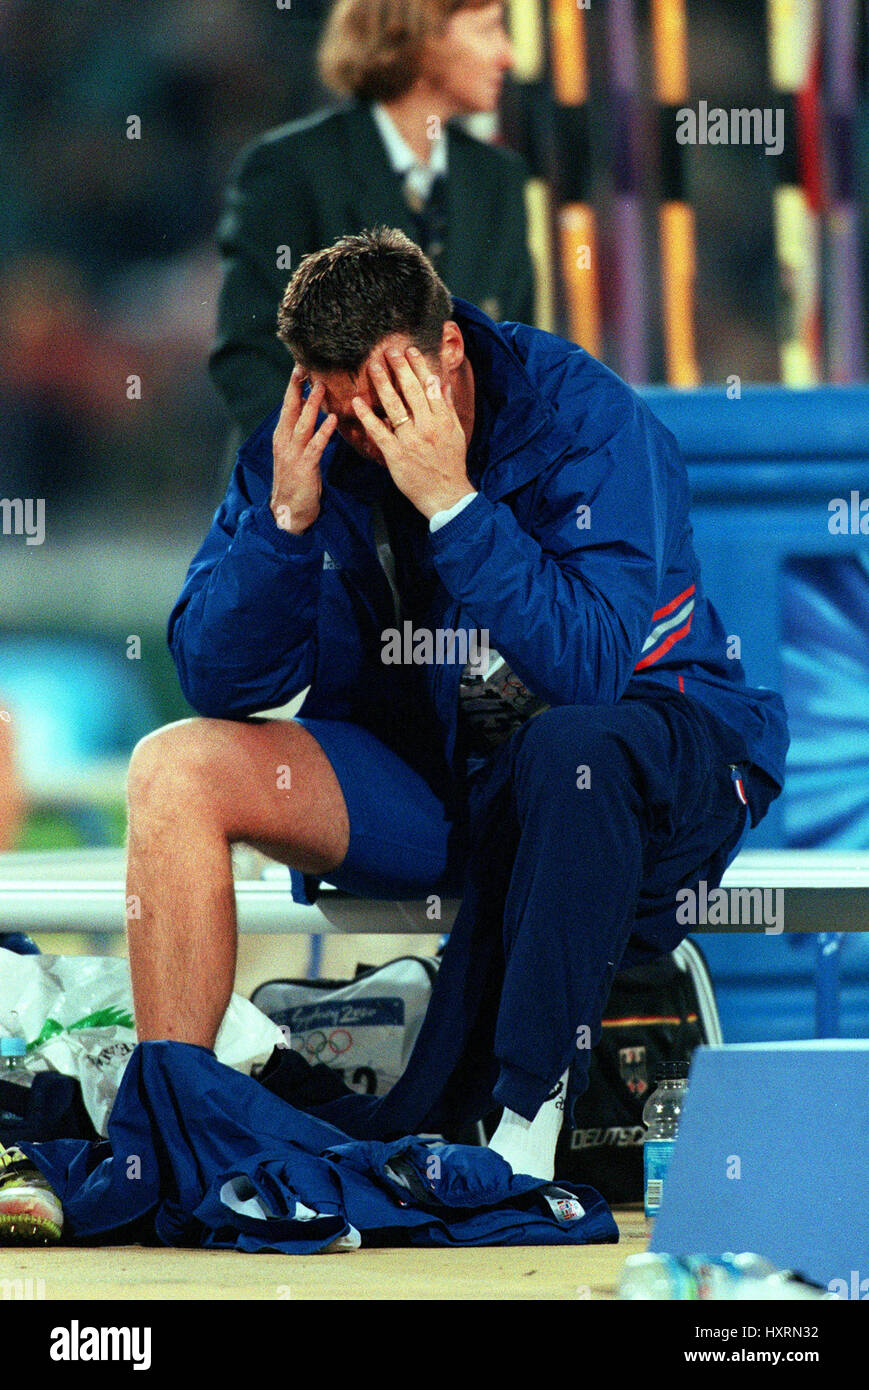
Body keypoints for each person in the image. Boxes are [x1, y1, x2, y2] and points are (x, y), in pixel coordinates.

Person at [114, 227, 787, 1191]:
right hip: (434, 782)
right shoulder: (305, 442)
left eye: (389, 403)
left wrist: (455, 506)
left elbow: (590, 667)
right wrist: (284, 528)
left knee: (569, 746)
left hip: (638, 764)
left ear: (452, 355)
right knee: (172, 766)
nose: (367, 434)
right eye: (343, 409)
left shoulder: (588, 420)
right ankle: (177, 1138)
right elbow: (218, 684)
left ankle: (521, 1113)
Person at [210, 0, 535, 440]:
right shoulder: (288, 168)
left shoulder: (498, 177)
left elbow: (508, 358)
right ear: (421, 37)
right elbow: (251, 359)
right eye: (487, 29)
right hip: (324, 491)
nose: (507, 55)